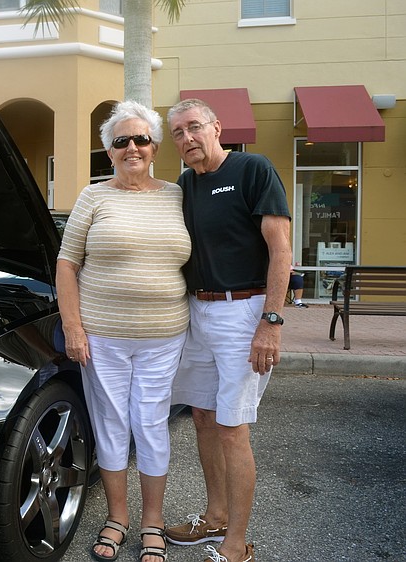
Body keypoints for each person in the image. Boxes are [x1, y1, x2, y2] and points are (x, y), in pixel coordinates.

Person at [56, 100, 191, 562]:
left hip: (164, 335)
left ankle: (152, 521)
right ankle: (118, 517)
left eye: (141, 139)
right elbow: (67, 264)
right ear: (109, 151)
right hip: (102, 337)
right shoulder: (93, 197)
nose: (132, 147)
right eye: (121, 141)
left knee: (151, 425)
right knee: (111, 426)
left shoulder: (177, 195)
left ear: (155, 148)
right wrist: (73, 327)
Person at [165, 98, 292, 562]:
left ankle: (236, 544)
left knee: (232, 427)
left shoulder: (253, 169)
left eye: (194, 127)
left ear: (217, 127)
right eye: (178, 133)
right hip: (197, 310)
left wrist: (270, 322)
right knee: (202, 415)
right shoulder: (185, 184)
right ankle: (215, 516)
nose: (187, 138)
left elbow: (281, 251)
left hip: (245, 311)